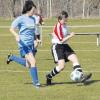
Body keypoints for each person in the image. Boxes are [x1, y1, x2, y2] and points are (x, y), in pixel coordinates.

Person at [46, 11, 92, 85]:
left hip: (65, 45)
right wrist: (70, 36)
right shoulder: (58, 26)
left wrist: (68, 34)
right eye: (64, 19)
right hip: (58, 46)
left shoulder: (65, 25)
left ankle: (81, 76)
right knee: (61, 66)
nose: (66, 21)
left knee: (75, 59)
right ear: (59, 19)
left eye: (66, 19)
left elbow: (64, 36)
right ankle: (49, 76)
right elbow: (61, 40)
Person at [7, 0, 40, 88]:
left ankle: (12, 57)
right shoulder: (20, 18)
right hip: (23, 44)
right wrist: (16, 35)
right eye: (33, 10)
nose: (34, 12)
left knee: (28, 64)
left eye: (34, 10)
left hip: (31, 44)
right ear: (28, 9)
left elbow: (33, 31)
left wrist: (36, 39)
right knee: (33, 61)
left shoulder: (33, 19)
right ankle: (36, 83)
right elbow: (11, 28)